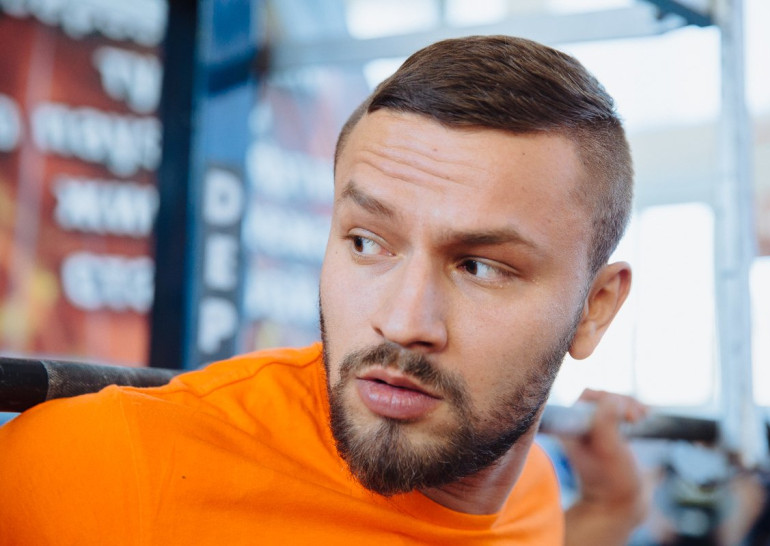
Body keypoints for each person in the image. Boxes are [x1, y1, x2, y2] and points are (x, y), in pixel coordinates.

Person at [0, 35, 645, 544]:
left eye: (479, 267)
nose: (402, 322)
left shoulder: (528, 488)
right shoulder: (103, 465)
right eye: (367, 242)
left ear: (595, 310)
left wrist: (616, 505)